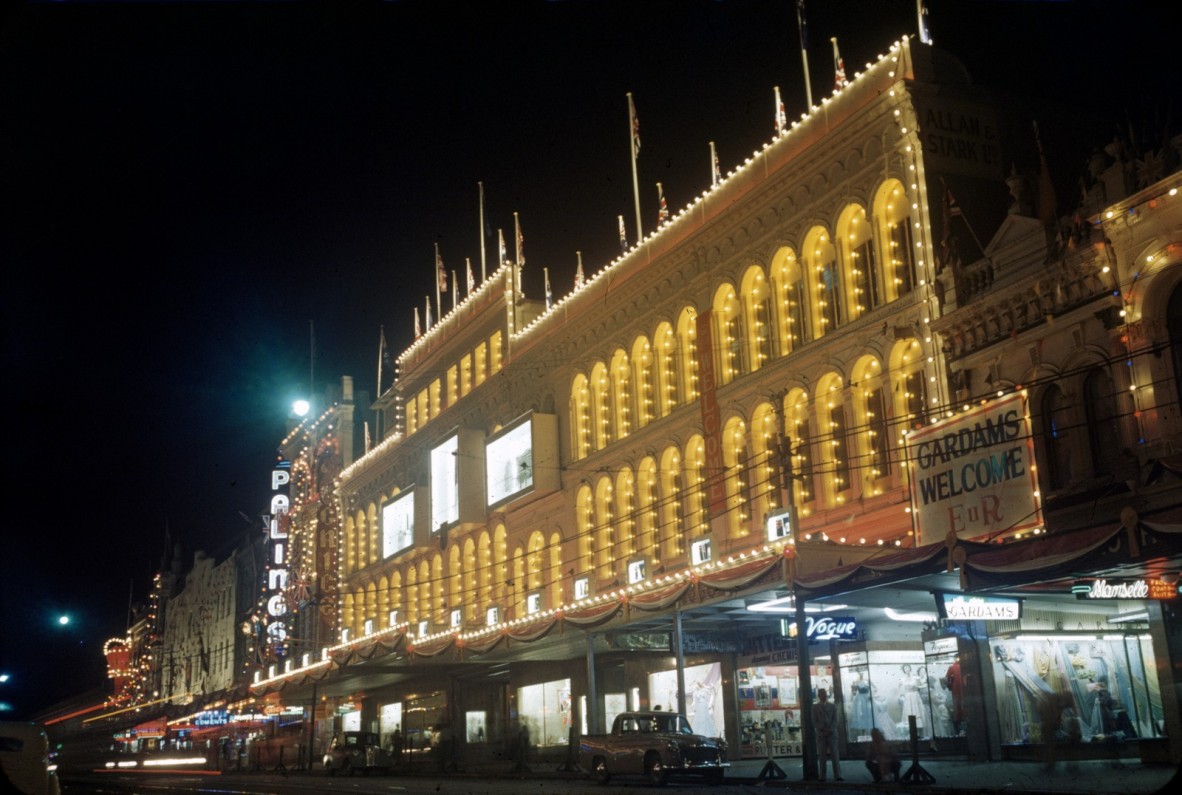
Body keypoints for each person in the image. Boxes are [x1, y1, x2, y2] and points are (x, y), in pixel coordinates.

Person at [812, 687, 842, 781]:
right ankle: (822, 776)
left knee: (835, 755)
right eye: (822, 694)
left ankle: (838, 775)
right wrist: (822, 729)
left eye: (825, 694)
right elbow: (814, 721)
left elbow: (836, 720)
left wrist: (830, 730)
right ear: (819, 696)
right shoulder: (815, 707)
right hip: (821, 734)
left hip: (832, 734)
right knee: (822, 756)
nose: (824, 696)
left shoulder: (833, 706)